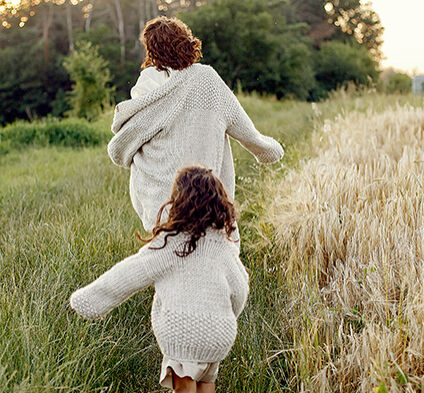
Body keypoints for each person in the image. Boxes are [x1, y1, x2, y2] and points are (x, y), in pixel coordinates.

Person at [70, 166, 249, 393]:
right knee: (206, 383)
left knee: (185, 387)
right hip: (218, 337)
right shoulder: (224, 246)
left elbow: (127, 275)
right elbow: (240, 289)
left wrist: (87, 301)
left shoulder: (170, 243)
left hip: (181, 333)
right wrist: (226, 316)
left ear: (178, 202)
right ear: (219, 203)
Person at [108, 16, 284, 232]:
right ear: (186, 42)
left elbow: (118, 150)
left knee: (168, 260)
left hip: (162, 210)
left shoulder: (146, 89)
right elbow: (246, 130)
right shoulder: (207, 80)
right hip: (208, 205)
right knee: (213, 258)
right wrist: (268, 150)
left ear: (151, 51)